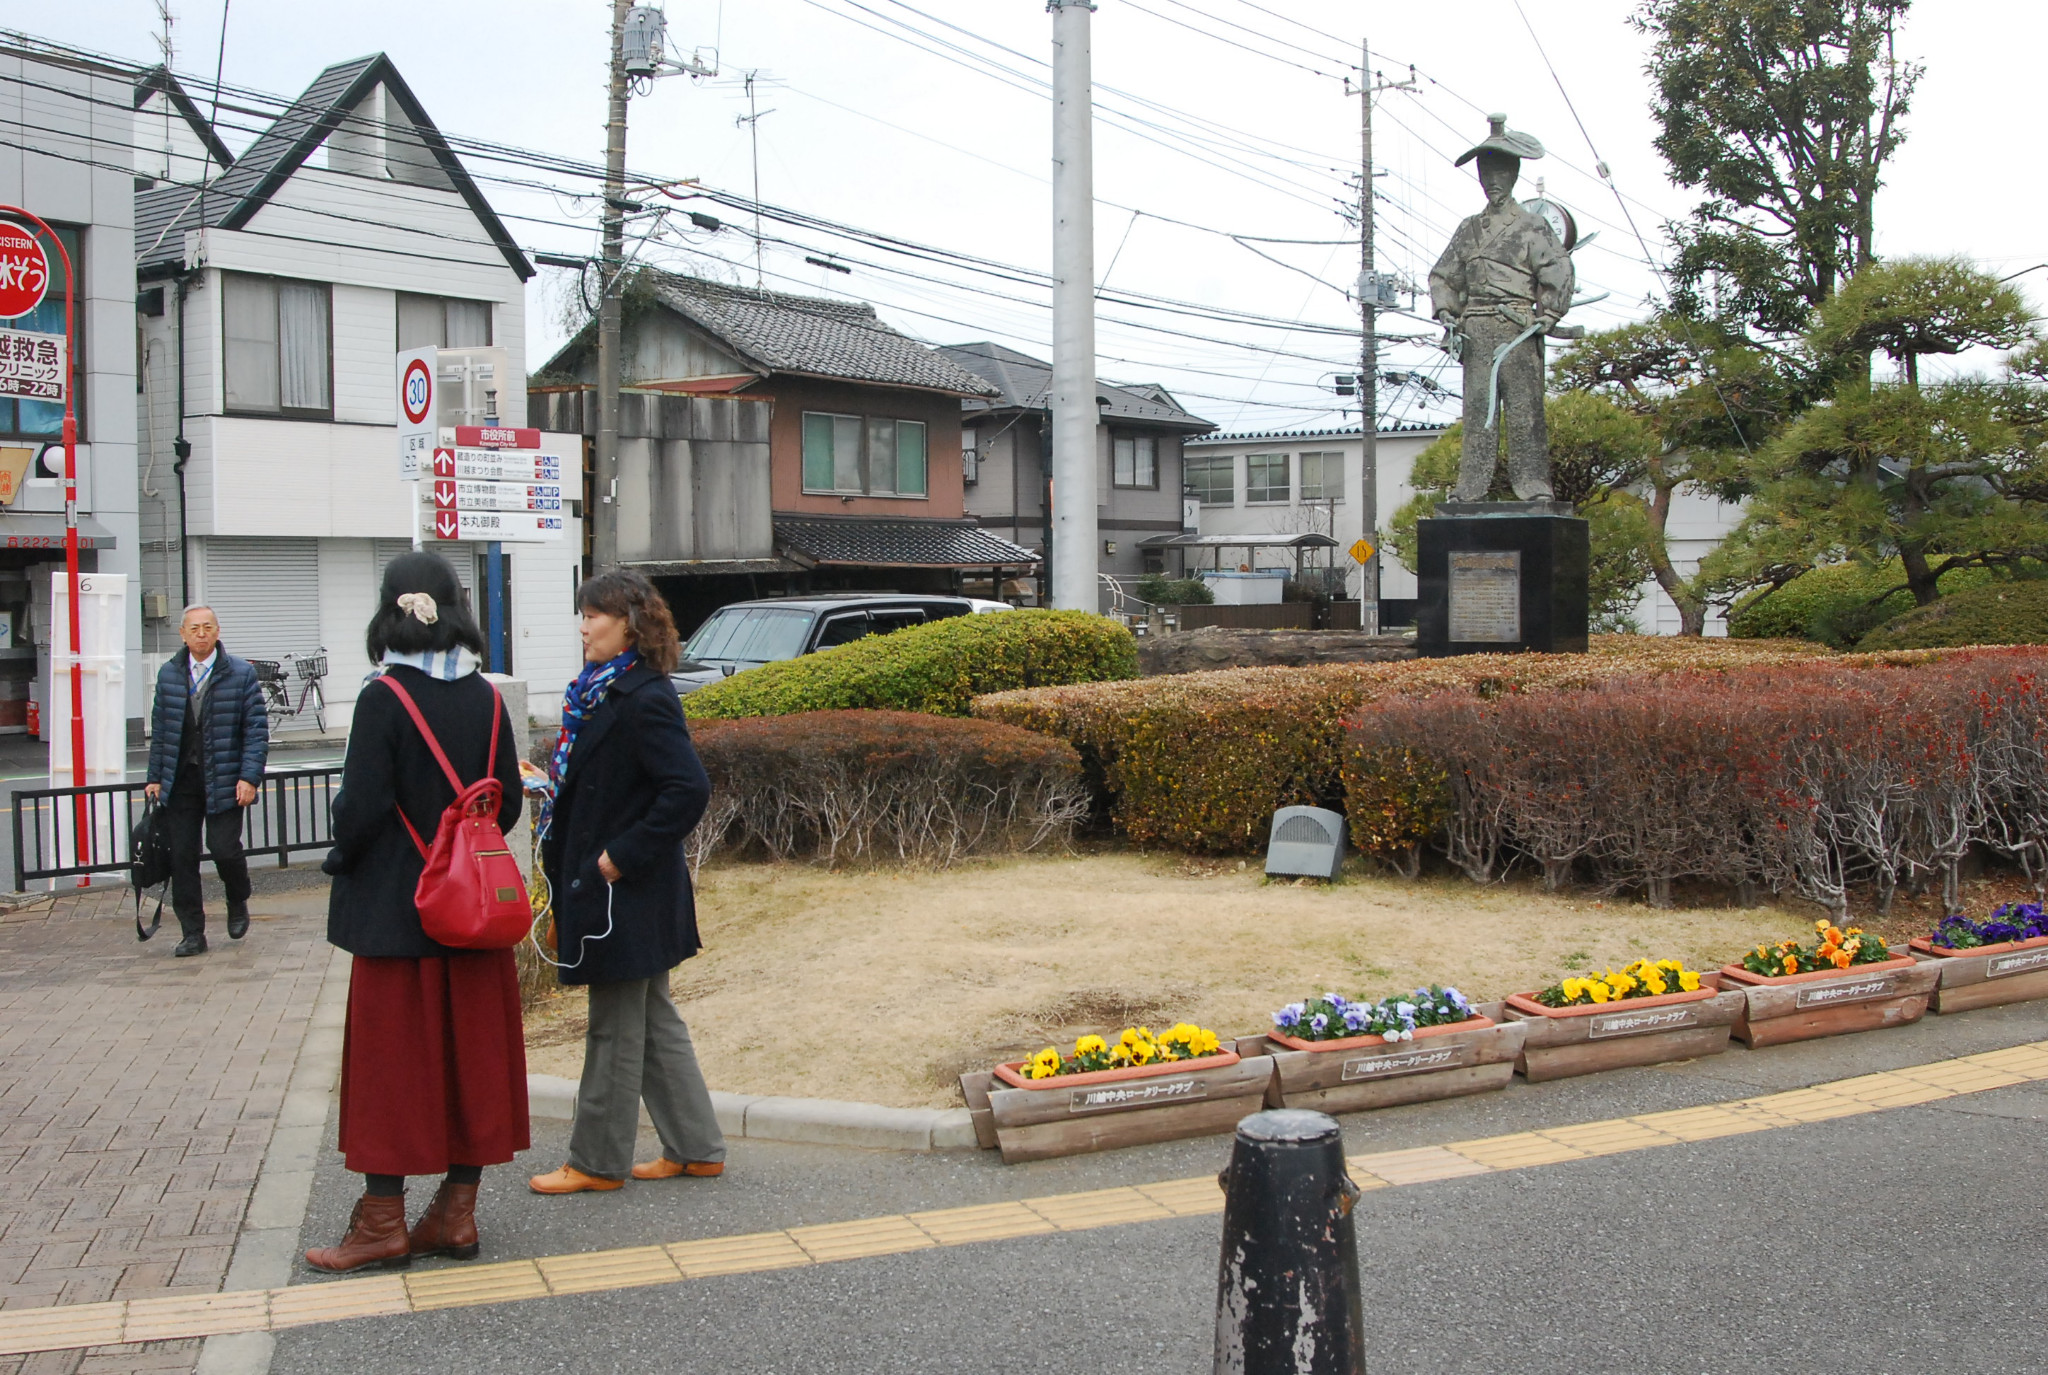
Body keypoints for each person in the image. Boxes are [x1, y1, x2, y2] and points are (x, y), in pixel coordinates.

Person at [305, 552, 527, 1273]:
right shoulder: (489, 698)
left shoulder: (384, 698)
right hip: (473, 914)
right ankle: (455, 1216)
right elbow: (510, 803)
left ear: (387, 608)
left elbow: (361, 811)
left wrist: (341, 853)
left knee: (392, 1069)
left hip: (400, 917)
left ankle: (382, 1225)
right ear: (457, 605)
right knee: (474, 1066)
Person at [529, 569, 724, 1195]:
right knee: (653, 1018)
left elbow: (687, 789)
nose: (584, 627)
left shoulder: (643, 695)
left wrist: (619, 857)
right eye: (582, 615)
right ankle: (696, 1148)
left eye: (595, 616)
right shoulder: (599, 692)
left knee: (615, 1025)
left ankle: (595, 1161)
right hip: (618, 888)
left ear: (629, 624)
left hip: (625, 890)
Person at [1428, 113, 1575, 503]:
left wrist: (1549, 313)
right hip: (1476, 330)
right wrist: (1447, 313)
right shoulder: (1468, 228)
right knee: (1478, 410)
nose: (1493, 180)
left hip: (1517, 329)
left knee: (1525, 411)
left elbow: (1557, 270)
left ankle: (1534, 485)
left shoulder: (1531, 226)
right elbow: (1443, 275)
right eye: (1486, 172)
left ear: (1513, 175)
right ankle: (1470, 487)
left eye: (1500, 172)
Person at [143, 605, 268, 958]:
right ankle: (192, 932)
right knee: (182, 857)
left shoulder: (241, 673)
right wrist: (154, 776)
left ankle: (237, 897)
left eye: (207, 627)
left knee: (224, 848)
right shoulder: (170, 673)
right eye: (194, 628)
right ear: (182, 634)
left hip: (226, 777)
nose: (201, 633)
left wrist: (249, 777)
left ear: (217, 631)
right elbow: (161, 729)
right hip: (180, 780)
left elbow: (256, 730)